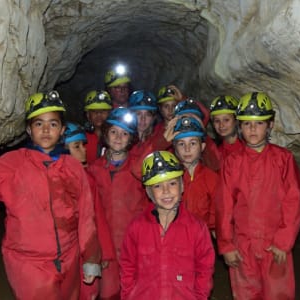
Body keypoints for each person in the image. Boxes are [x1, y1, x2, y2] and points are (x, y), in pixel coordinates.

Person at [0, 91, 101, 299]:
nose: (46, 130)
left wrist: (90, 258)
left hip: (69, 258)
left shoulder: (73, 168)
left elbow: (86, 217)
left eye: (53, 124)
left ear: (62, 130)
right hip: (29, 263)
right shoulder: (12, 164)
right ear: (29, 130)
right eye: (39, 124)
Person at [216, 92, 300, 300]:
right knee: (247, 293)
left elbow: (295, 200)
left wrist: (284, 241)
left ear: (270, 125)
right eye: (247, 124)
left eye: (259, 123)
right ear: (239, 127)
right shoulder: (232, 162)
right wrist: (227, 245)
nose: (252, 129)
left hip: (274, 245)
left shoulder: (283, 159)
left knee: (278, 293)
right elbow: (224, 204)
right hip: (243, 244)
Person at [120, 150, 215, 299]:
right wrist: (128, 295)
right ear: (149, 192)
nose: (166, 191)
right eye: (157, 186)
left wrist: (199, 296)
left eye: (172, 183)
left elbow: (205, 268)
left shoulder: (196, 228)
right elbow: (127, 266)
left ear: (182, 186)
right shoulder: (136, 227)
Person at [87, 107, 149, 299]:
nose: (118, 137)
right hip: (107, 246)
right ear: (105, 134)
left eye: (124, 133)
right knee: (109, 292)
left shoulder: (139, 167)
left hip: (135, 243)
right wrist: (98, 250)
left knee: (136, 290)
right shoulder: (94, 169)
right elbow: (90, 213)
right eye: (113, 132)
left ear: (131, 139)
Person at [63, 122, 115, 300]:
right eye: (76, 146)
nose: (84, 150)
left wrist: (104, 253)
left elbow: (98, 217)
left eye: (83, 145)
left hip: (87, 249)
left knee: (89, 292)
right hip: (64, 251)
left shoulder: (88, 180)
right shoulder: (52, 180)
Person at [169, 116, 218, 232]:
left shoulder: (212, 179)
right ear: (174, 148)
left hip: (202, 240)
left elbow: (216, 217)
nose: (187, 149)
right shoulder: (169, 178)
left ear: (202, 147)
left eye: (193, 143)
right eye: (181, 144)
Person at [83, 90, 113, 164]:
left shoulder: (117, 136)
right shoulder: (81, 139)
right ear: (88, 114)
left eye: (103, 110)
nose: (99, 114)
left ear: (110, 113)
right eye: (94, 111)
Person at [209, 95, 243, 160]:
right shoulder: (216, 152)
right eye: (217, 121)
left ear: (236, 120)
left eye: (226, 120)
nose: (221, 125)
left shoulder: (248, 148)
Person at [128, 89, 159, 157]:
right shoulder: (123, 141)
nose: (143, 119)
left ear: (153, 118)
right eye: (138, 114)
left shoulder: (157, 139)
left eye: (148, 115)